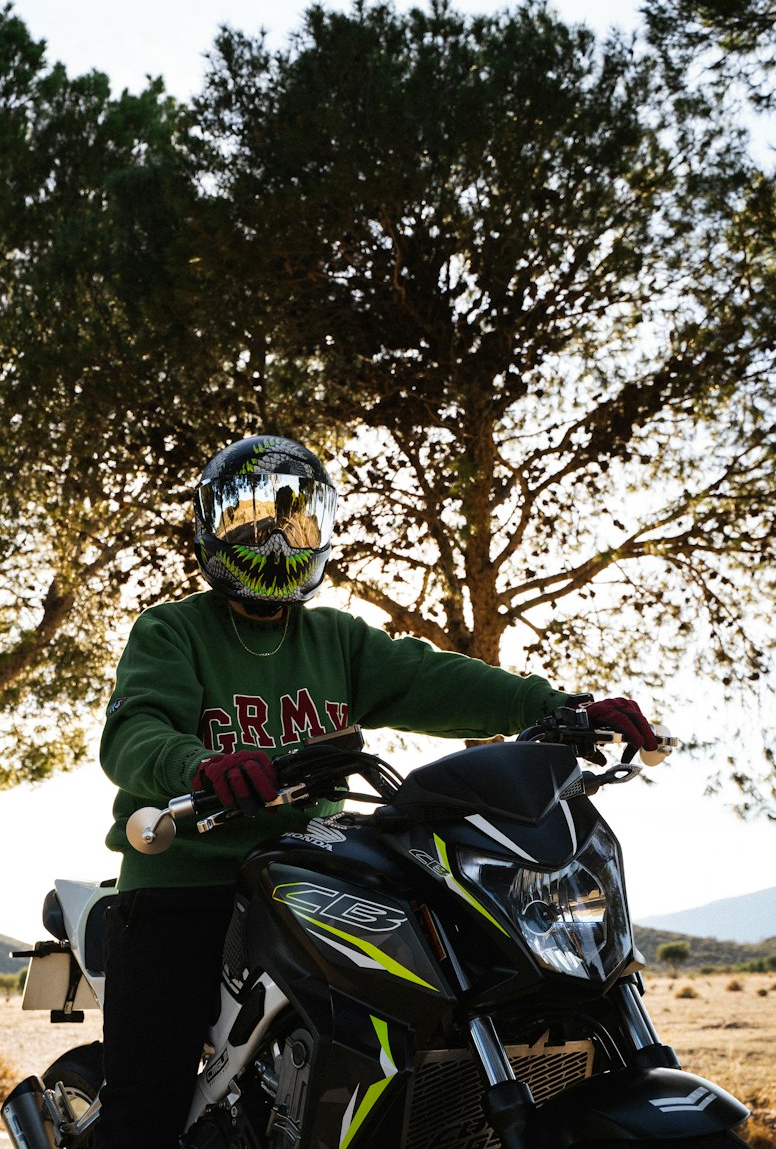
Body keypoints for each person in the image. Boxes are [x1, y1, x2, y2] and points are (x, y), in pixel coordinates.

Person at [94, 434, 656, 1149]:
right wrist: (200, 766)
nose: (272, 540)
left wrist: (559, 706)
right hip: (188, 880)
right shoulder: (173, 630)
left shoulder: (337, 640)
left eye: (292, 522)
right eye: (252, 521)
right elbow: (134, 731)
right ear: (212, 525)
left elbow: (437, 679)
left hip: (308, 869)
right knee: (144, 1111)